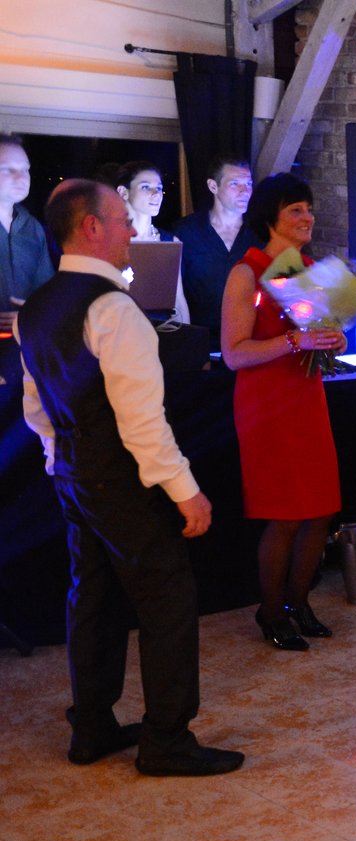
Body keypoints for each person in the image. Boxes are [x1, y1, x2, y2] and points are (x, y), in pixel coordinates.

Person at [16, 178, 243, 776]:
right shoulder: (115, 309)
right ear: (90, 227)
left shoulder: (36, 306)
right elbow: (143, 423)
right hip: (122, 480)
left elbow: (36, 406)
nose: (133, 232)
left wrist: (56, 462)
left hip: (73, 475)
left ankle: (91, 726)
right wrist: (186, 493)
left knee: (91, 596)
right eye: (122, 221)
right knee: (167, 599)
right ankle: (166, 740)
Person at [221, 173, 344, 651]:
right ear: (270, 216)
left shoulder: (307, 270)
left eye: (309, 209)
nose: (307, 217)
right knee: (286, 514)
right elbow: (234, 353)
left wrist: (335, 339)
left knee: (320, 510)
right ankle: (270, 610)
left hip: (307, 400)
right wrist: (295, 339)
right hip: (267, 407)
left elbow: (323, 343)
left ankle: (299, 602)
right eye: (296, 210)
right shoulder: (246, 272)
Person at [172, 156, 259, 337]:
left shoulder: (260, 235)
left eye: (249, 184)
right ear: (213, 186)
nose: (245, 191)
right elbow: (174, 294)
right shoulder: (185, 232)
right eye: (235, 184)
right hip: (200, 338)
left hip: (248, 339)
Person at [0, 134, 54, 384]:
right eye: (8, 169)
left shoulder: (32, 228)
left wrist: (31, 316)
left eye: (25, 170)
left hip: (22, 352)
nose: (21, 177)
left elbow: (45, 292)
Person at [112, 161, 190, 324]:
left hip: (162, 331)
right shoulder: (109, 242)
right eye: (146, 187)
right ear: (123, 192)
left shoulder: (168, 241)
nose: (156, 194)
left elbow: (178, 298)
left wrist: (185, 339)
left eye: (159, 188)